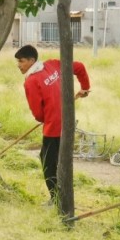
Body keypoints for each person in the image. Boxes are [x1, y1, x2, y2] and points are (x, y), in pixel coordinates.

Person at [14, 45, 91, 204]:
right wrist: (85, 88)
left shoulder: (31, 81)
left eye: (21, 61)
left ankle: (56, 199)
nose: (19, 65)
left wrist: (46, 117)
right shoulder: (52, 64)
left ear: (31, 60)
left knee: (48, 162)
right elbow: (80, 67)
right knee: (59, 160)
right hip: (68, 123)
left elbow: (37, 113)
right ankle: (62, 196)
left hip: (53, 128)